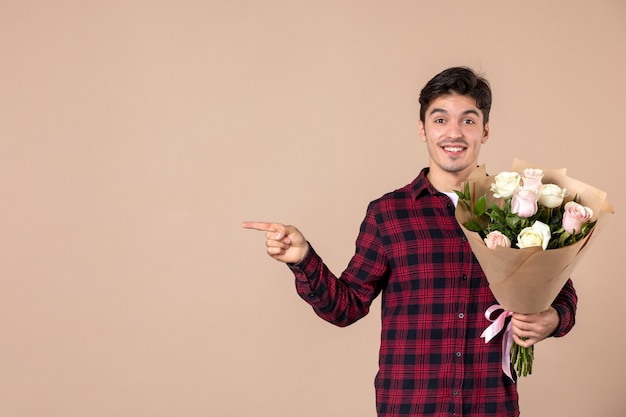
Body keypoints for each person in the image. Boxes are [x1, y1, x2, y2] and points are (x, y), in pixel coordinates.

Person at [241, 67, 577, 417]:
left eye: (468, 121)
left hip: (491, 406)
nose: (454, 133)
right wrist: (303, 258)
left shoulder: (518, 209)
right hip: (410, 407)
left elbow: (560, 290)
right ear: (423, 130)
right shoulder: (388, 214)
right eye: (440, 119)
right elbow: (346, 307)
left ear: (485, 131)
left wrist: (554, 318)